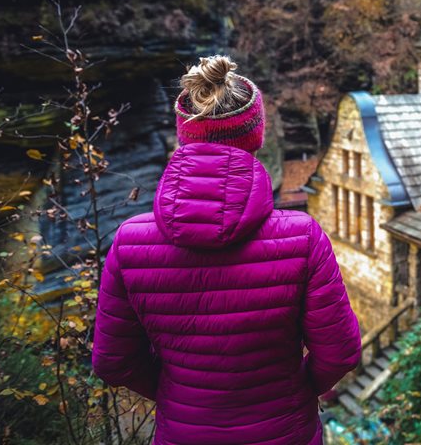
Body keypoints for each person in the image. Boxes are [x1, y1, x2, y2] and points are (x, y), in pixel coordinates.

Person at [92, 55, 361, 444]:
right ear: (256, 134)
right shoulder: (302, 238)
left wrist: (177, 394)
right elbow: (340, 353)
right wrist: (295, 391)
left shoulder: (130, 243)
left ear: (185, 133)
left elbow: (113, 362)